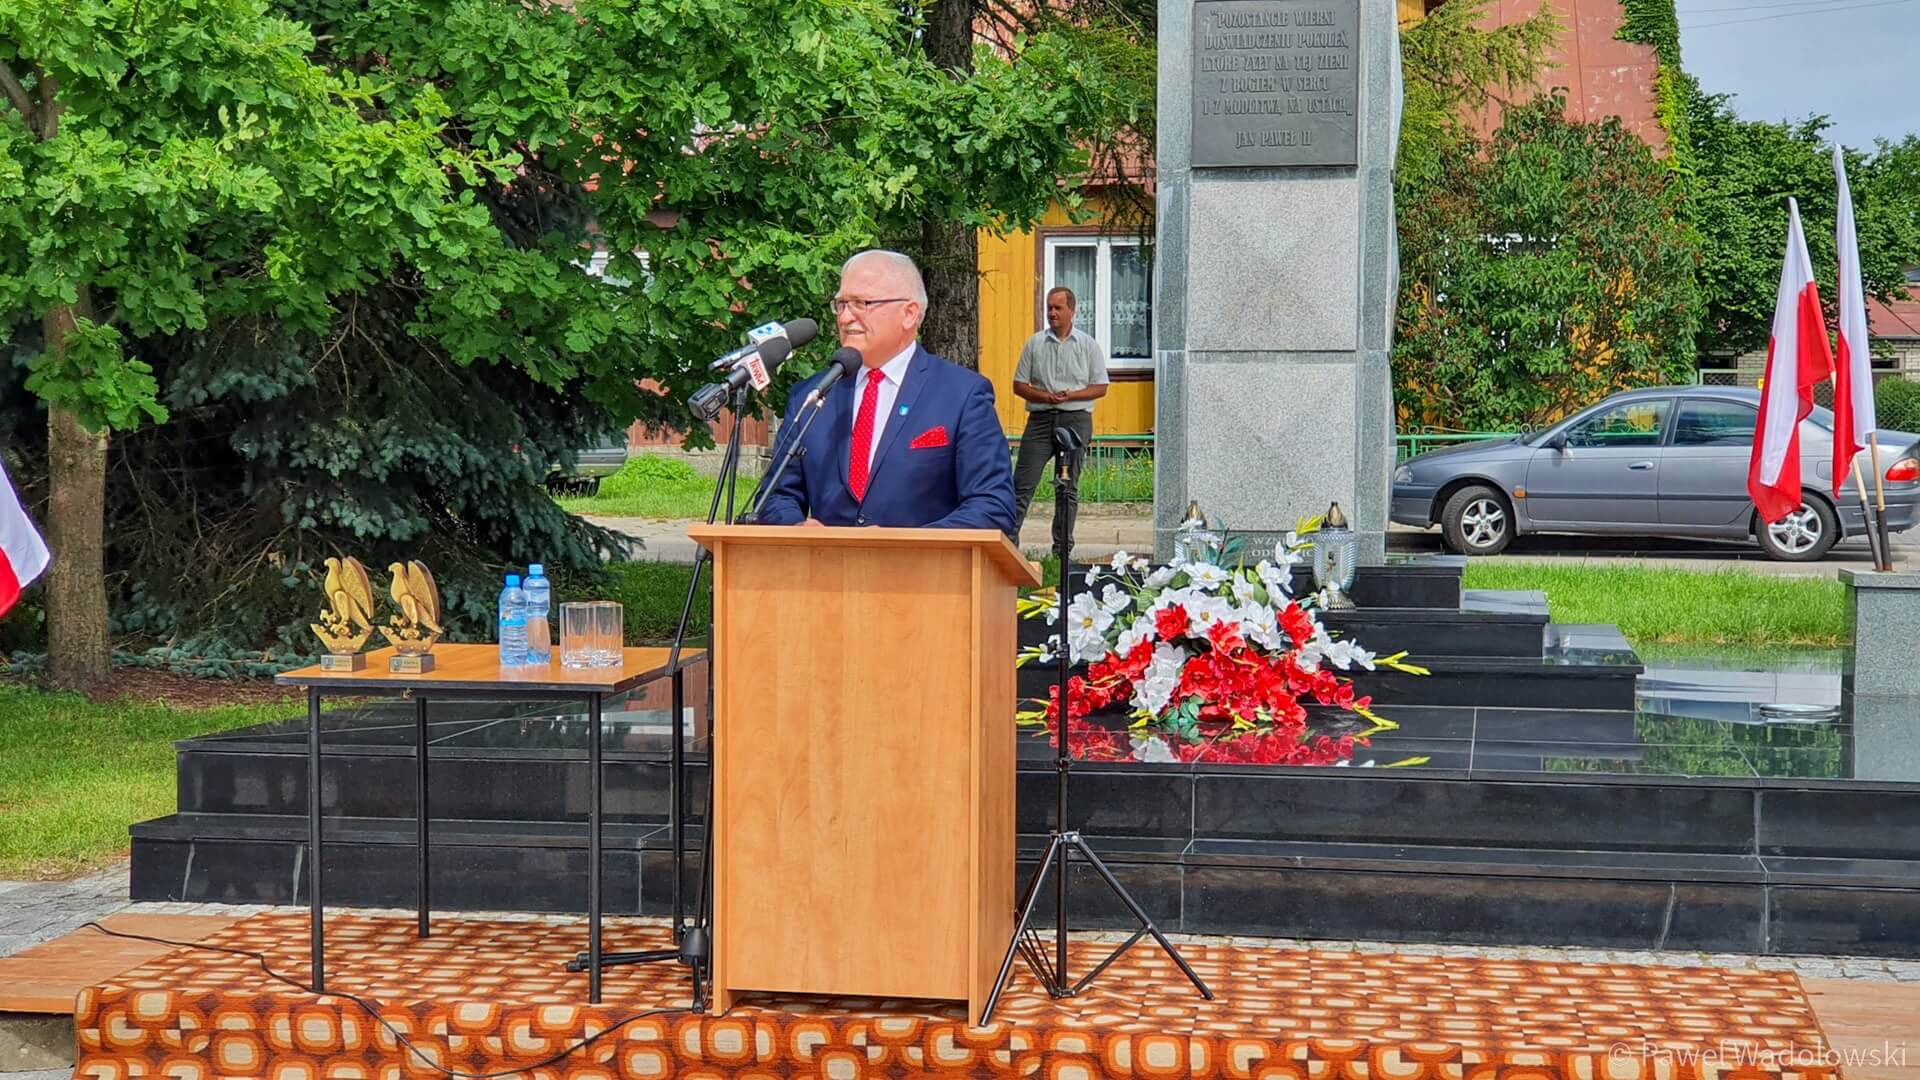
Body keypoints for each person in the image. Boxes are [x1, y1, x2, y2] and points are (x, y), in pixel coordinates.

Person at [755, 250, 1017, 532]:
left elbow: (992, 506)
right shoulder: (812, 396)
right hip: (821, 559)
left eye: (861, 303)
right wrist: (798, 527)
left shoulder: (962, 394)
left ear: (909, 313)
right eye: (841, 304)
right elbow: (774, 498)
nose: (845, 317)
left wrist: (900, 546)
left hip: (924, 560)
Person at [1010, 286, 1108, 552]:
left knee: (1067, 487)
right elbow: (1019, 385)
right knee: (1022, 484)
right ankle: (1008, 545)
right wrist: (1045, 396)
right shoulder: (1035, 343)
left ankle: (1062, 552)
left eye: (1058, 308)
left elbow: (1101, 386)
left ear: (1072, 311)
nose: (1052, 313)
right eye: (1049, 308)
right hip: (1041, 419)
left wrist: (1072, 395)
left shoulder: (1087, 345)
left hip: (1075, 419)